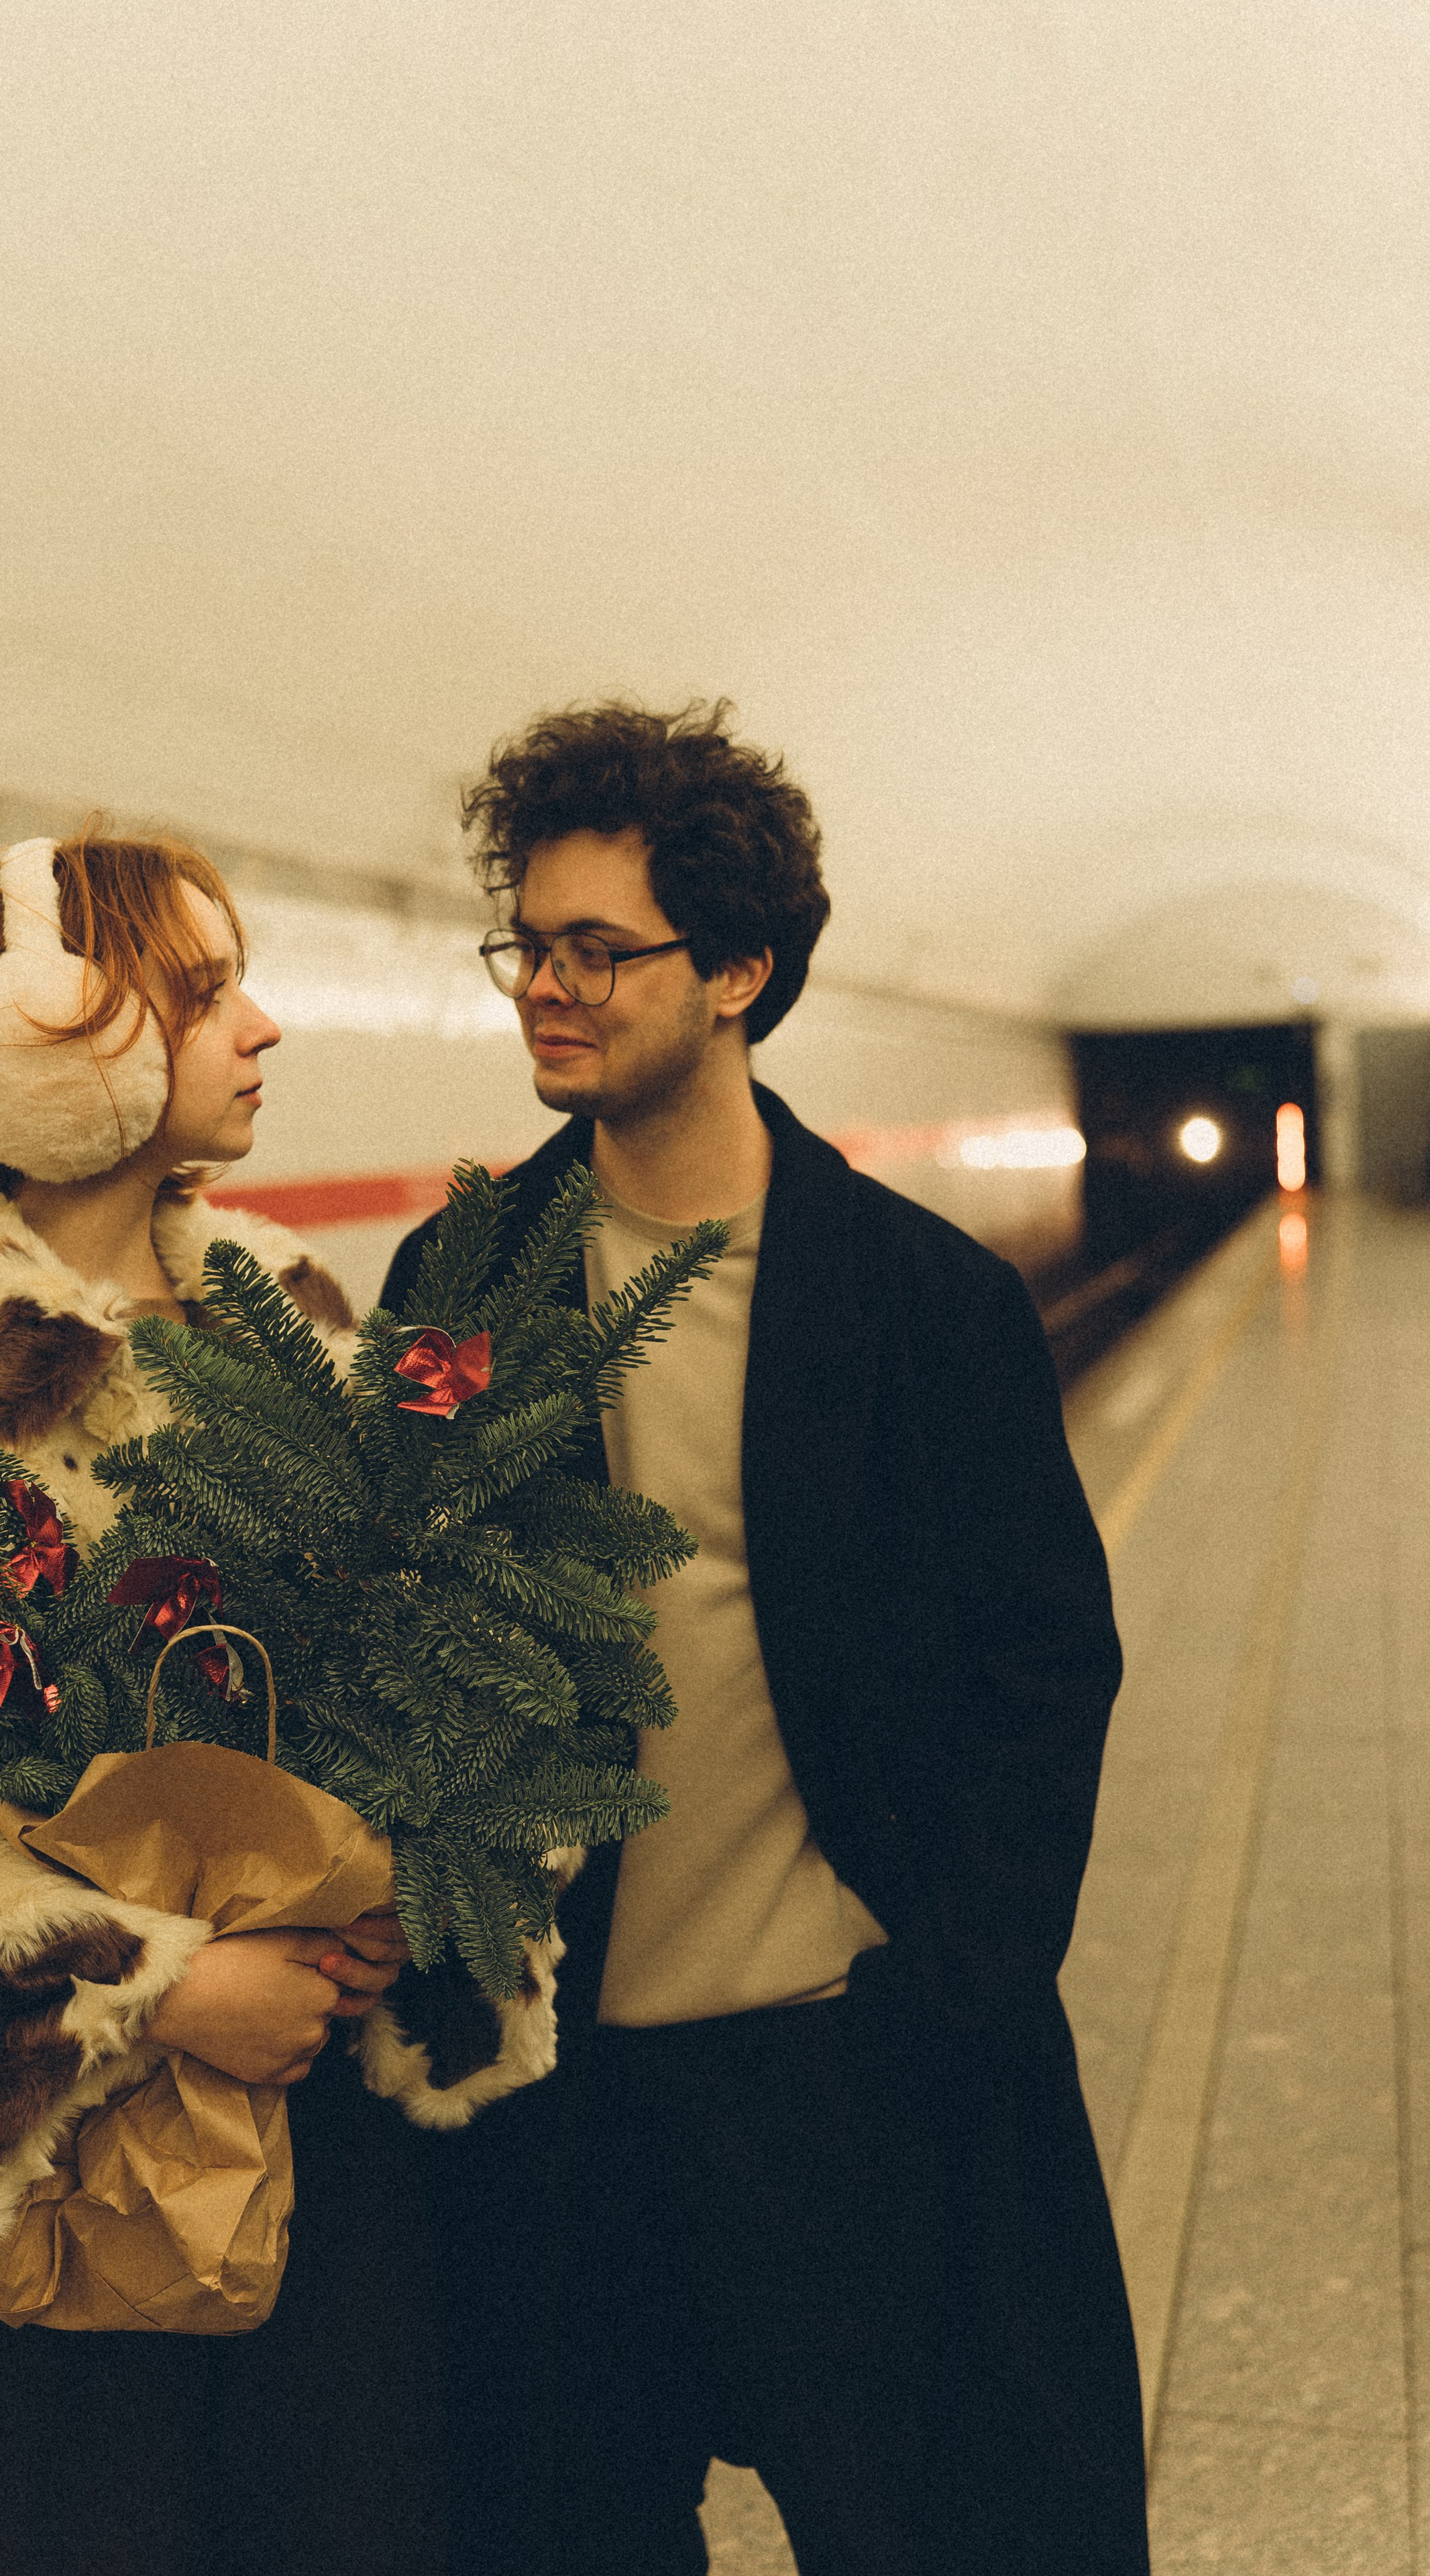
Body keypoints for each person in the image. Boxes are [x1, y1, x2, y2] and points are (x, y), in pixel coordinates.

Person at [0, 830, 537, 2576]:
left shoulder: (285, 1313)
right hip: (45, 2201)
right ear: (56, 1036)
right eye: (208, 989)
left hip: (330, 2150)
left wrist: (389, 1901)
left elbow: (419, 1649)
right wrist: (162, 1989)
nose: (265, 1029)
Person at [382, 704, 1150, 2576]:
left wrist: (947, 1985)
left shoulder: (919, 1304)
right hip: (560, 2111)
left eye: (597, 950)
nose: (545, 991)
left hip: (843, 2077)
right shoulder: (459, 1288)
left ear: (737, 970)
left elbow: (1046, 1670)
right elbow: (398, 1633)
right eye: (528, 946)